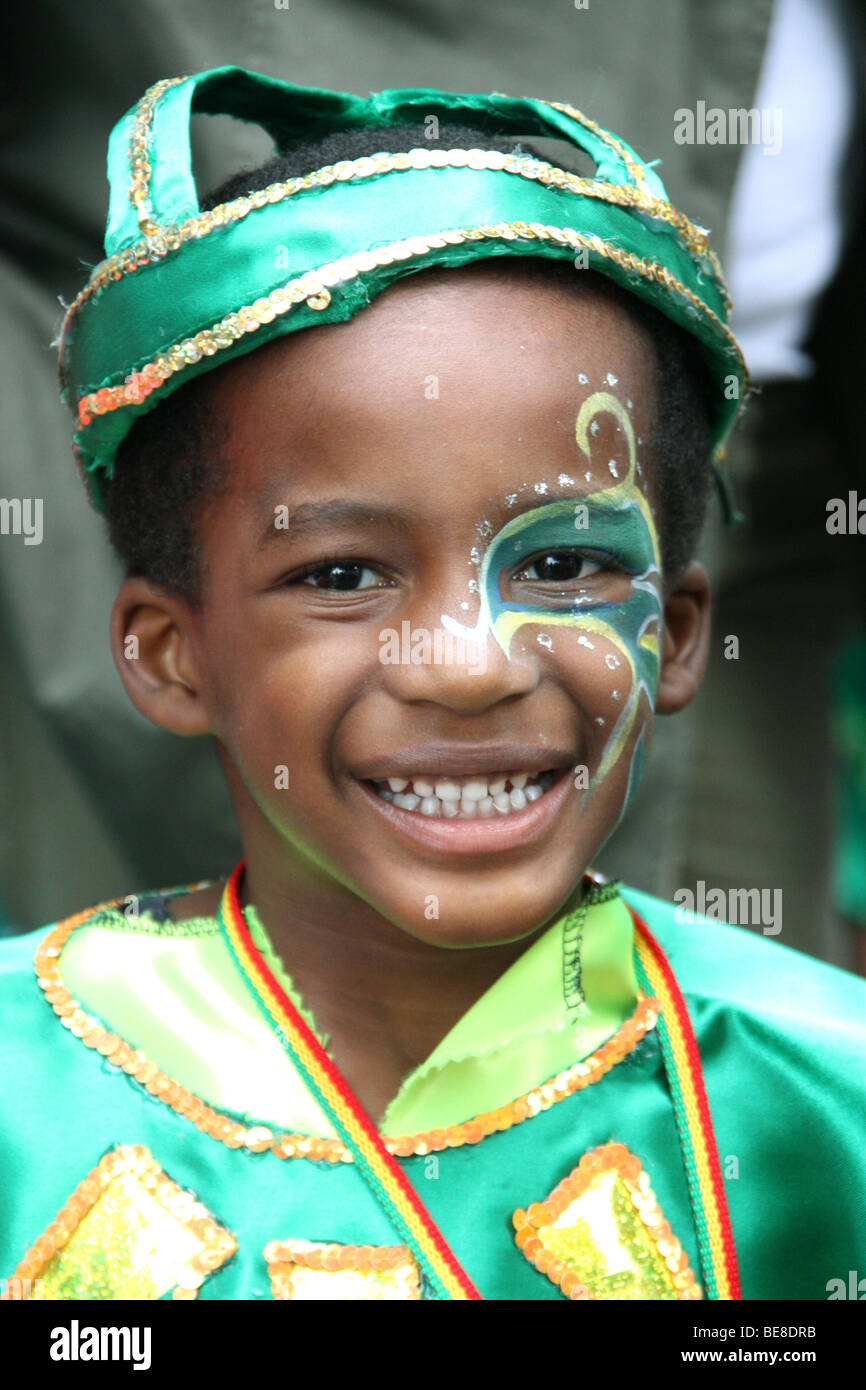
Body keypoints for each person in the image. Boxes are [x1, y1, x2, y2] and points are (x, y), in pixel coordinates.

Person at [1, 68, 863, 1303]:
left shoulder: (823, 1106)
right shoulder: (18, 1104)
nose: (464, 664)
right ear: (166, 651)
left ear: (674, 635)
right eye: (343, 572)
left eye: (565, 565)